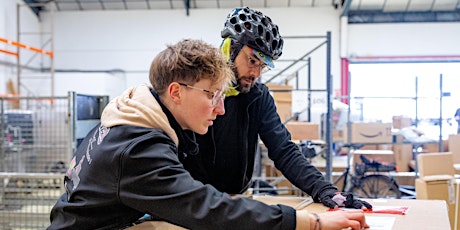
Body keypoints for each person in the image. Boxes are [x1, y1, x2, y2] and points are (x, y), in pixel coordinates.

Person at [47, 38, 368, 230]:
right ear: (175, 92)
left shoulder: (126, 120)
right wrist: (312, 223)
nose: (221, 109)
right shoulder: (138, 151)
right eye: (212, 95)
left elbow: (282, 149)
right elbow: (207, 208)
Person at [182, 6, 372, 213]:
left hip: (235, 199)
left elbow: (284, 150)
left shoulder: (258, 97)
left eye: (262, 66)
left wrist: (324, 190)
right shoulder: (192, 90)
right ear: (230, 49)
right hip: (193, 201)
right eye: (252, 60)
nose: (255, 73)